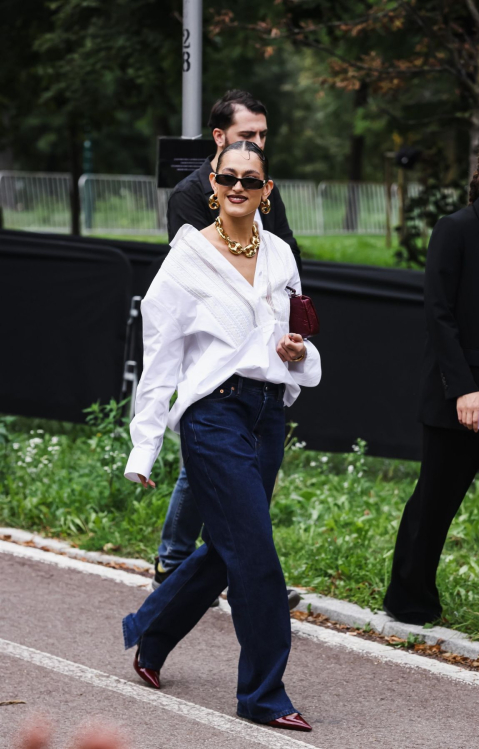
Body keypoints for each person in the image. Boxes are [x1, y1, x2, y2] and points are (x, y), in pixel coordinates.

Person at [123, 140, 321, 731]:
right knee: (255, 553)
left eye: (251, 179)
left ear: (268, 189)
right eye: (228, 177)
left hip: (266, 414)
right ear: (212, 183)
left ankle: (151, 633)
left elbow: (295, 332)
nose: (238, 186)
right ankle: (263, 693)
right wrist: (145, 445)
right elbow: (159, 360)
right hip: (213, 416)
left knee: (230, 546)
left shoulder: (281, 254)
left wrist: (294, 348)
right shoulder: (185, 261)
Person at [155, 90, 302, 613]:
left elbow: (285, 254)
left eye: (262, 136)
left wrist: (286, 331)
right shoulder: (188, 197)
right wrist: (144, 442)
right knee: (205, 473)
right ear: (218, 140)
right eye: (247, 136)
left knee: (245, 503)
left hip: (265, 374)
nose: (256, 145)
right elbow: (194, 285)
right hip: (214, 372)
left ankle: (231, 580)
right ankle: (176, 561)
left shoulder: (266, 190)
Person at [384, 134, 479, 625]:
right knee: (434, 504)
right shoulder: (454, 229)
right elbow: (439, 314)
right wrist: (463, 388)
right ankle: (408, 601)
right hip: (460, 398)